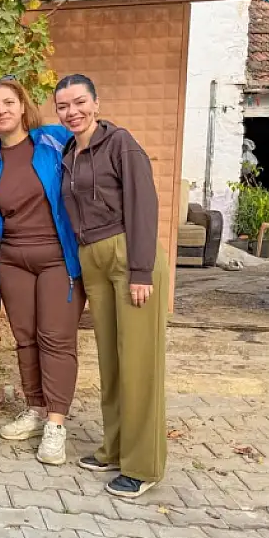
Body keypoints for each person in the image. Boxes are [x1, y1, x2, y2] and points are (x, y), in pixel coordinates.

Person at [54, 74, 168, 498]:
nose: (72, 112)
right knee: (112, 361)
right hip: (93, 258)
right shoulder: (69, 151)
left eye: (80, 102)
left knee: (139, 363)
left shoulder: (120, 143)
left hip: (128, 254)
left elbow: (144, 203)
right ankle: (115, 448)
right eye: (63, 106)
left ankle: (143, 465)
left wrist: (140, 270)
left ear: (96, 103)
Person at [0, 77, 85, 466]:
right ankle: (35, 407)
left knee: (55, 337)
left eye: (8, 103)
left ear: (22, 106)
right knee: (24, 337)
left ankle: (56, 424)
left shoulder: (54, 139)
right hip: (11, 259)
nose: (2, 111)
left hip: (58, 257)